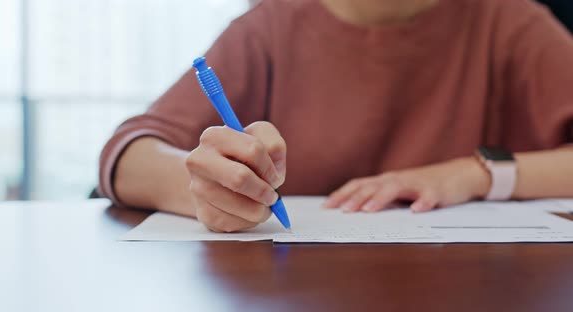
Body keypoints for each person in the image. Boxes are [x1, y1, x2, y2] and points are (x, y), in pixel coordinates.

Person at [98, 0, 573, 233]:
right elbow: (128, 154)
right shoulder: (271, 27)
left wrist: (476, 174)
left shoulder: (509, 22)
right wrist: (210, 191)